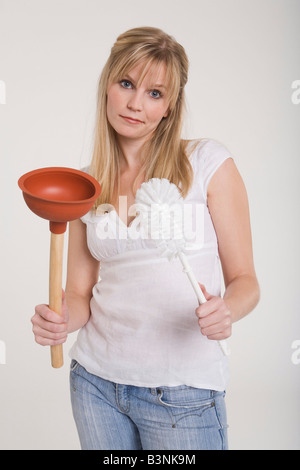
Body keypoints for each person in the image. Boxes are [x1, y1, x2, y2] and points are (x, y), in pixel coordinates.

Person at [31, 26, 260, 450]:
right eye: (127, 84)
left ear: (170, 106)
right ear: (108, 86)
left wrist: (227, 310)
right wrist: (62, 319)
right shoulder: (89, 185)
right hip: (96, 386)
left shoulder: (208, 163)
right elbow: (80, 294)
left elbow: (246, 280)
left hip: (183, 394)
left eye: (155, 93)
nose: (136, 104)